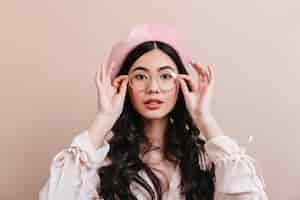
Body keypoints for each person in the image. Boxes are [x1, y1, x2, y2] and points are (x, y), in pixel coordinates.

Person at [39, 23, 268, 200]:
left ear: (181, 85)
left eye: (166, 76)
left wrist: (205, 119)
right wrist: (104, 118)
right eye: (140, 76)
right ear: (124, 85)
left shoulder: (205, 162)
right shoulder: (105, 165)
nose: (153, 88)